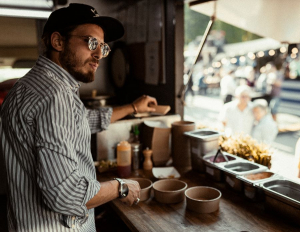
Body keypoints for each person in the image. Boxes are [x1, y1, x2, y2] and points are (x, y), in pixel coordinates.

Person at [0, 3, 158, 231]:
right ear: (58, 41)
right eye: (91, 43)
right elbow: (66, 195)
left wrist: (133, 107)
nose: (98, 55)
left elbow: (81, 121)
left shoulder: (26, 86)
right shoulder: (55, 96)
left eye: (103, 47)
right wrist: (121, 186)